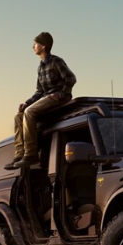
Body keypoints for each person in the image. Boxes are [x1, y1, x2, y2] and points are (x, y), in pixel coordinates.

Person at [5, 31, 77, 170]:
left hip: (58, 98)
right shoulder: (40, 67)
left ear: (43, 46)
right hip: (46, 98)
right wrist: (26, 102)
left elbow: (71, 78)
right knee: (19, 116)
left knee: (29, 113)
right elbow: (39, 91)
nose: (33, 46)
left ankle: (31, 154)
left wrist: (62, 94)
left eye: (36, 43)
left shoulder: (56, 61)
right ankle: (20, 155)